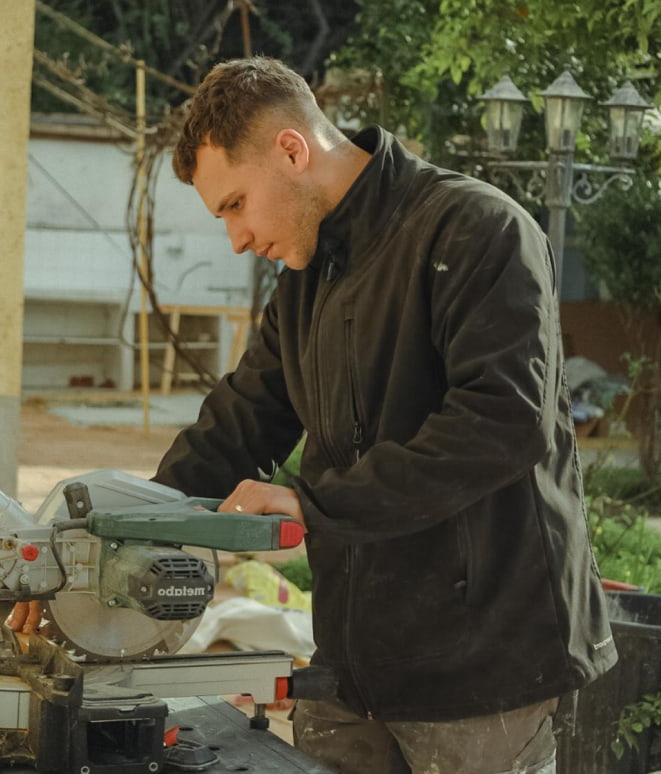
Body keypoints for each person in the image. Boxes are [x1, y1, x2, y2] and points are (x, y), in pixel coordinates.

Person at [13, 56, 617, 774]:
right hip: (351, 666)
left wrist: (311, 501)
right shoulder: (305, 279)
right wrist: (93, 554)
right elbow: (238, 422)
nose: (235, 237)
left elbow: (500, 423)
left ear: (291, 150)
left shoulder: (477, 229)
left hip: (482, 665)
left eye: (234, 204)